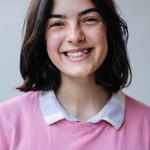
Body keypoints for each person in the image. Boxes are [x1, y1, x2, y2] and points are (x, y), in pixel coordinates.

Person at [0, 0, 150, 149]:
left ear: (108, 28)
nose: (75, 36)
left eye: (89, 19)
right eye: (57, 24)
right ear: (41, 37)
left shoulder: (146, 125)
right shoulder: (4, 123)